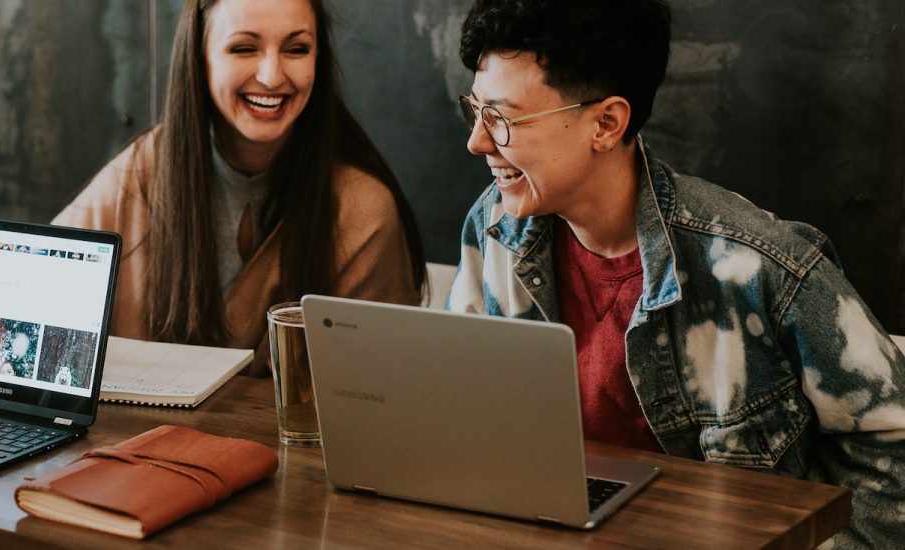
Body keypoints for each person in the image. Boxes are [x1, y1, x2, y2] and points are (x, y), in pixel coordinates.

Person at [445, 0, 905, 546]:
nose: (476, 140)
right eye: (475, 109)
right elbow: (463, 412)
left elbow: (893, 454)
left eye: (501, 118)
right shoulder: (495, 225)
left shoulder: (761, 267)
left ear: (606, 123)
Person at [54, 0, 425, 376]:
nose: (271, 76)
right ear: (199, 57)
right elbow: (38, 291)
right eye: (244, 48)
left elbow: (376, 394)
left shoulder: (362, 209)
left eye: (297, 49)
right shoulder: (143, 169)